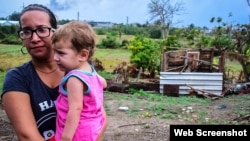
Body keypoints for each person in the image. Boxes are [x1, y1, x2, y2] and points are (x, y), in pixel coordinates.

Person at [0, 4, 107, 141]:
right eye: (26, 31)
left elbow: (99, 116)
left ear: (55, 33)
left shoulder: (79, 72)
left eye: (42, 30)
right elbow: (27, 136)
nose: (34, 38)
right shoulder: (18, 78)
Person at [51, 21, 107, 141]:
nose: (55, 58)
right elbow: (103, 83)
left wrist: (66, 138)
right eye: (54, 51)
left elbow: (75, 109)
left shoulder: (74, 78)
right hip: (93, 128)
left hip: (77, 133)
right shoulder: (91, 72)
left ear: (82, 55)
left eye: (61, 53)